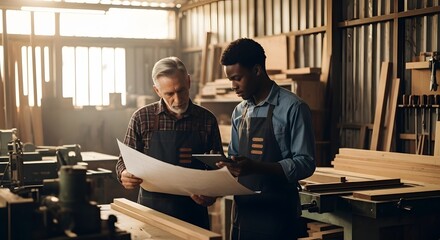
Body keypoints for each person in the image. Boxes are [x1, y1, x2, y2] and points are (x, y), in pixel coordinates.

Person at [217, 38, 316, 240]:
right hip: (243, 215)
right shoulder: (239, 112)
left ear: (257, 70)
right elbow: (235, 159)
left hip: (277, 216)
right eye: (230, 80)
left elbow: (305, 163)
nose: (233, 86)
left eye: (237, 78)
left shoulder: (293, 108)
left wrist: (257, 167)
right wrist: (224, 167)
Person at [116, 56, 223, 230]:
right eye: (169, 94)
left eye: (181, 90)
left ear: (188, 81)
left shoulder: (207, 120)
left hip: (193, 215)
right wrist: (124, 174)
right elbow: (123, 162)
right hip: (150, 212)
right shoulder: (142, 118)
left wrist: (212, 193)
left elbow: (217, 168)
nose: (178, 99)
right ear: (157, 91)